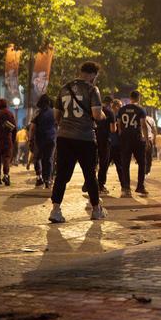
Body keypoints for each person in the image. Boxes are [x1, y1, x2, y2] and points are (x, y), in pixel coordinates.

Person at [49, 62, 106, 223]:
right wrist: (102, 116)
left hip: (64, 137)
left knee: (61, 175)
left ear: (80, 72)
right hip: (85, 137)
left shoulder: (64, 88)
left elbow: (57, 116)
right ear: (93, 74)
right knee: (89, 174)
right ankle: (96, 210)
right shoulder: (92, 89)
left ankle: (55, 210)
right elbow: (96, 114)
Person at [117, 90, 149, 198]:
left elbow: (119, 125)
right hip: (137, 138)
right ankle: (140, 186)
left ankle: (126, 188)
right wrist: (146, 139)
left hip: (125, 138)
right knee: (142, 162)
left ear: (130, 98)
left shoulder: (122, 109)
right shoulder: (140, 109)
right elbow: (143, 125)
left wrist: (121, 136)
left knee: (125, 163)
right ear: (138, 98)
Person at [30, 94, 57, 188]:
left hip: (40, 139)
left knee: (37, 158)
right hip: (51, 138)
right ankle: (48, 180)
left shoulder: (37, 112)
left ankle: (39, 177)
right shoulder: (54, 112)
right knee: (48, 159)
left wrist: (30, 139)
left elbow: (33, 127)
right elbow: (58, 124)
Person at [0, 98, 17, 185]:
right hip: (7, 139)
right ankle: (6, 175)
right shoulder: (10, 114)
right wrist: (13, 140)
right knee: (6, 158)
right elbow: (14, 128)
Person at [95, 95, 116, 195]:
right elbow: (113, 129)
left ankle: (89, 183)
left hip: (93, 139)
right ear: (111, 103)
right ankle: (100, 185)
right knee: (103, 163)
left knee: (92, 162)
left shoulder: (95, 110)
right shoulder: (110, 113)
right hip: (104, 140)